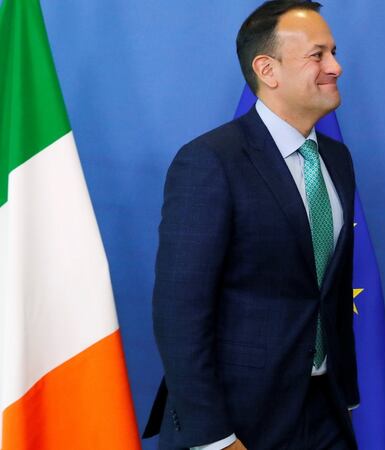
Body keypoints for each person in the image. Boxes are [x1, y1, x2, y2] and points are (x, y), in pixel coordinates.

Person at [142, 1, 359, 449]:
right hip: (237, 422)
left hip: (324, 410)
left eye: (333, 52)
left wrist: (345, 392)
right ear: (268, 69)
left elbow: (329, 292)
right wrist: (214, 437)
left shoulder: (337, 159)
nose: (335, 66)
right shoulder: (210, 162)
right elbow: (179, 312)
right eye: (318, 55)